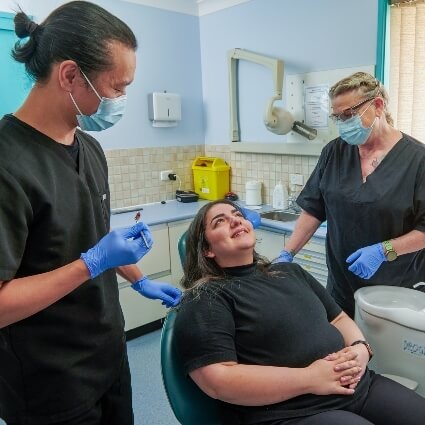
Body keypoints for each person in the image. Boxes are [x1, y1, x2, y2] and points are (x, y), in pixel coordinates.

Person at [0, 2, 181, 424]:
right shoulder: (8, 163)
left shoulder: (90, 149)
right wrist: (91, 263)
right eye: (117, 88)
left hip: (108, 357)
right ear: (69, 75)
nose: (121, 100)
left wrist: (139, 281)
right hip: (49, 381)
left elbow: (90, 237)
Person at [173, 199, 425, 425]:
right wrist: (310, 378)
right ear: (207, 250)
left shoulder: (290, 272)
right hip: (296, 410)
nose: (235, 219)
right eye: (220, 221)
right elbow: (217, 380)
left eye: (237, 214)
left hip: (360, 386)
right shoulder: (205, 298)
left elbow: (338, 317)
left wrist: (360, 347)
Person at [275, 72, 425, 318]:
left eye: (349, 115)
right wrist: (287, 253)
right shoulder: (334, 152)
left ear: (378, 106)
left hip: (397, 292)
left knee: (384, 355)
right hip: (340, 288)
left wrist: (383, 251)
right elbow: (313, 209)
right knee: (344, 353)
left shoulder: (418, 160)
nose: (343, 123)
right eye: (337, 117)